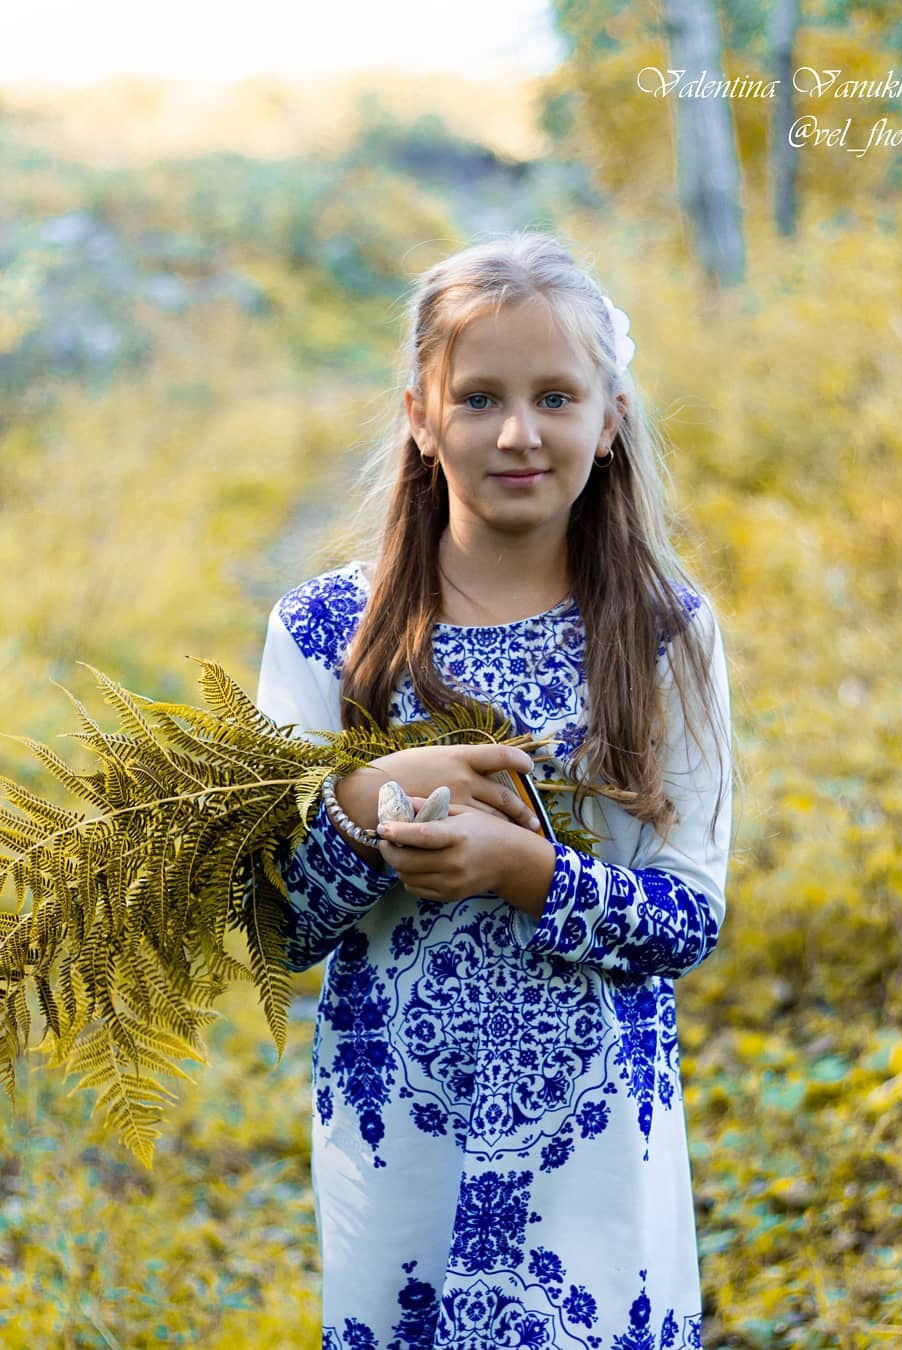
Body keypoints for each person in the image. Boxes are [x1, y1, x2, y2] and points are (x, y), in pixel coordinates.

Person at [255, 230, 736, 1350]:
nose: (518, 433)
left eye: (555, 397)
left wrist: (529, 872)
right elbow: (279, 923)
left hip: (596, 1147)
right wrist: (367, 799)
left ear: (609, 419)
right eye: (478, 399)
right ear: (421, 418)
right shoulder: (327, 633)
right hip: (398, 1145)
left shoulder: (663, 631)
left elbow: (689, 918)